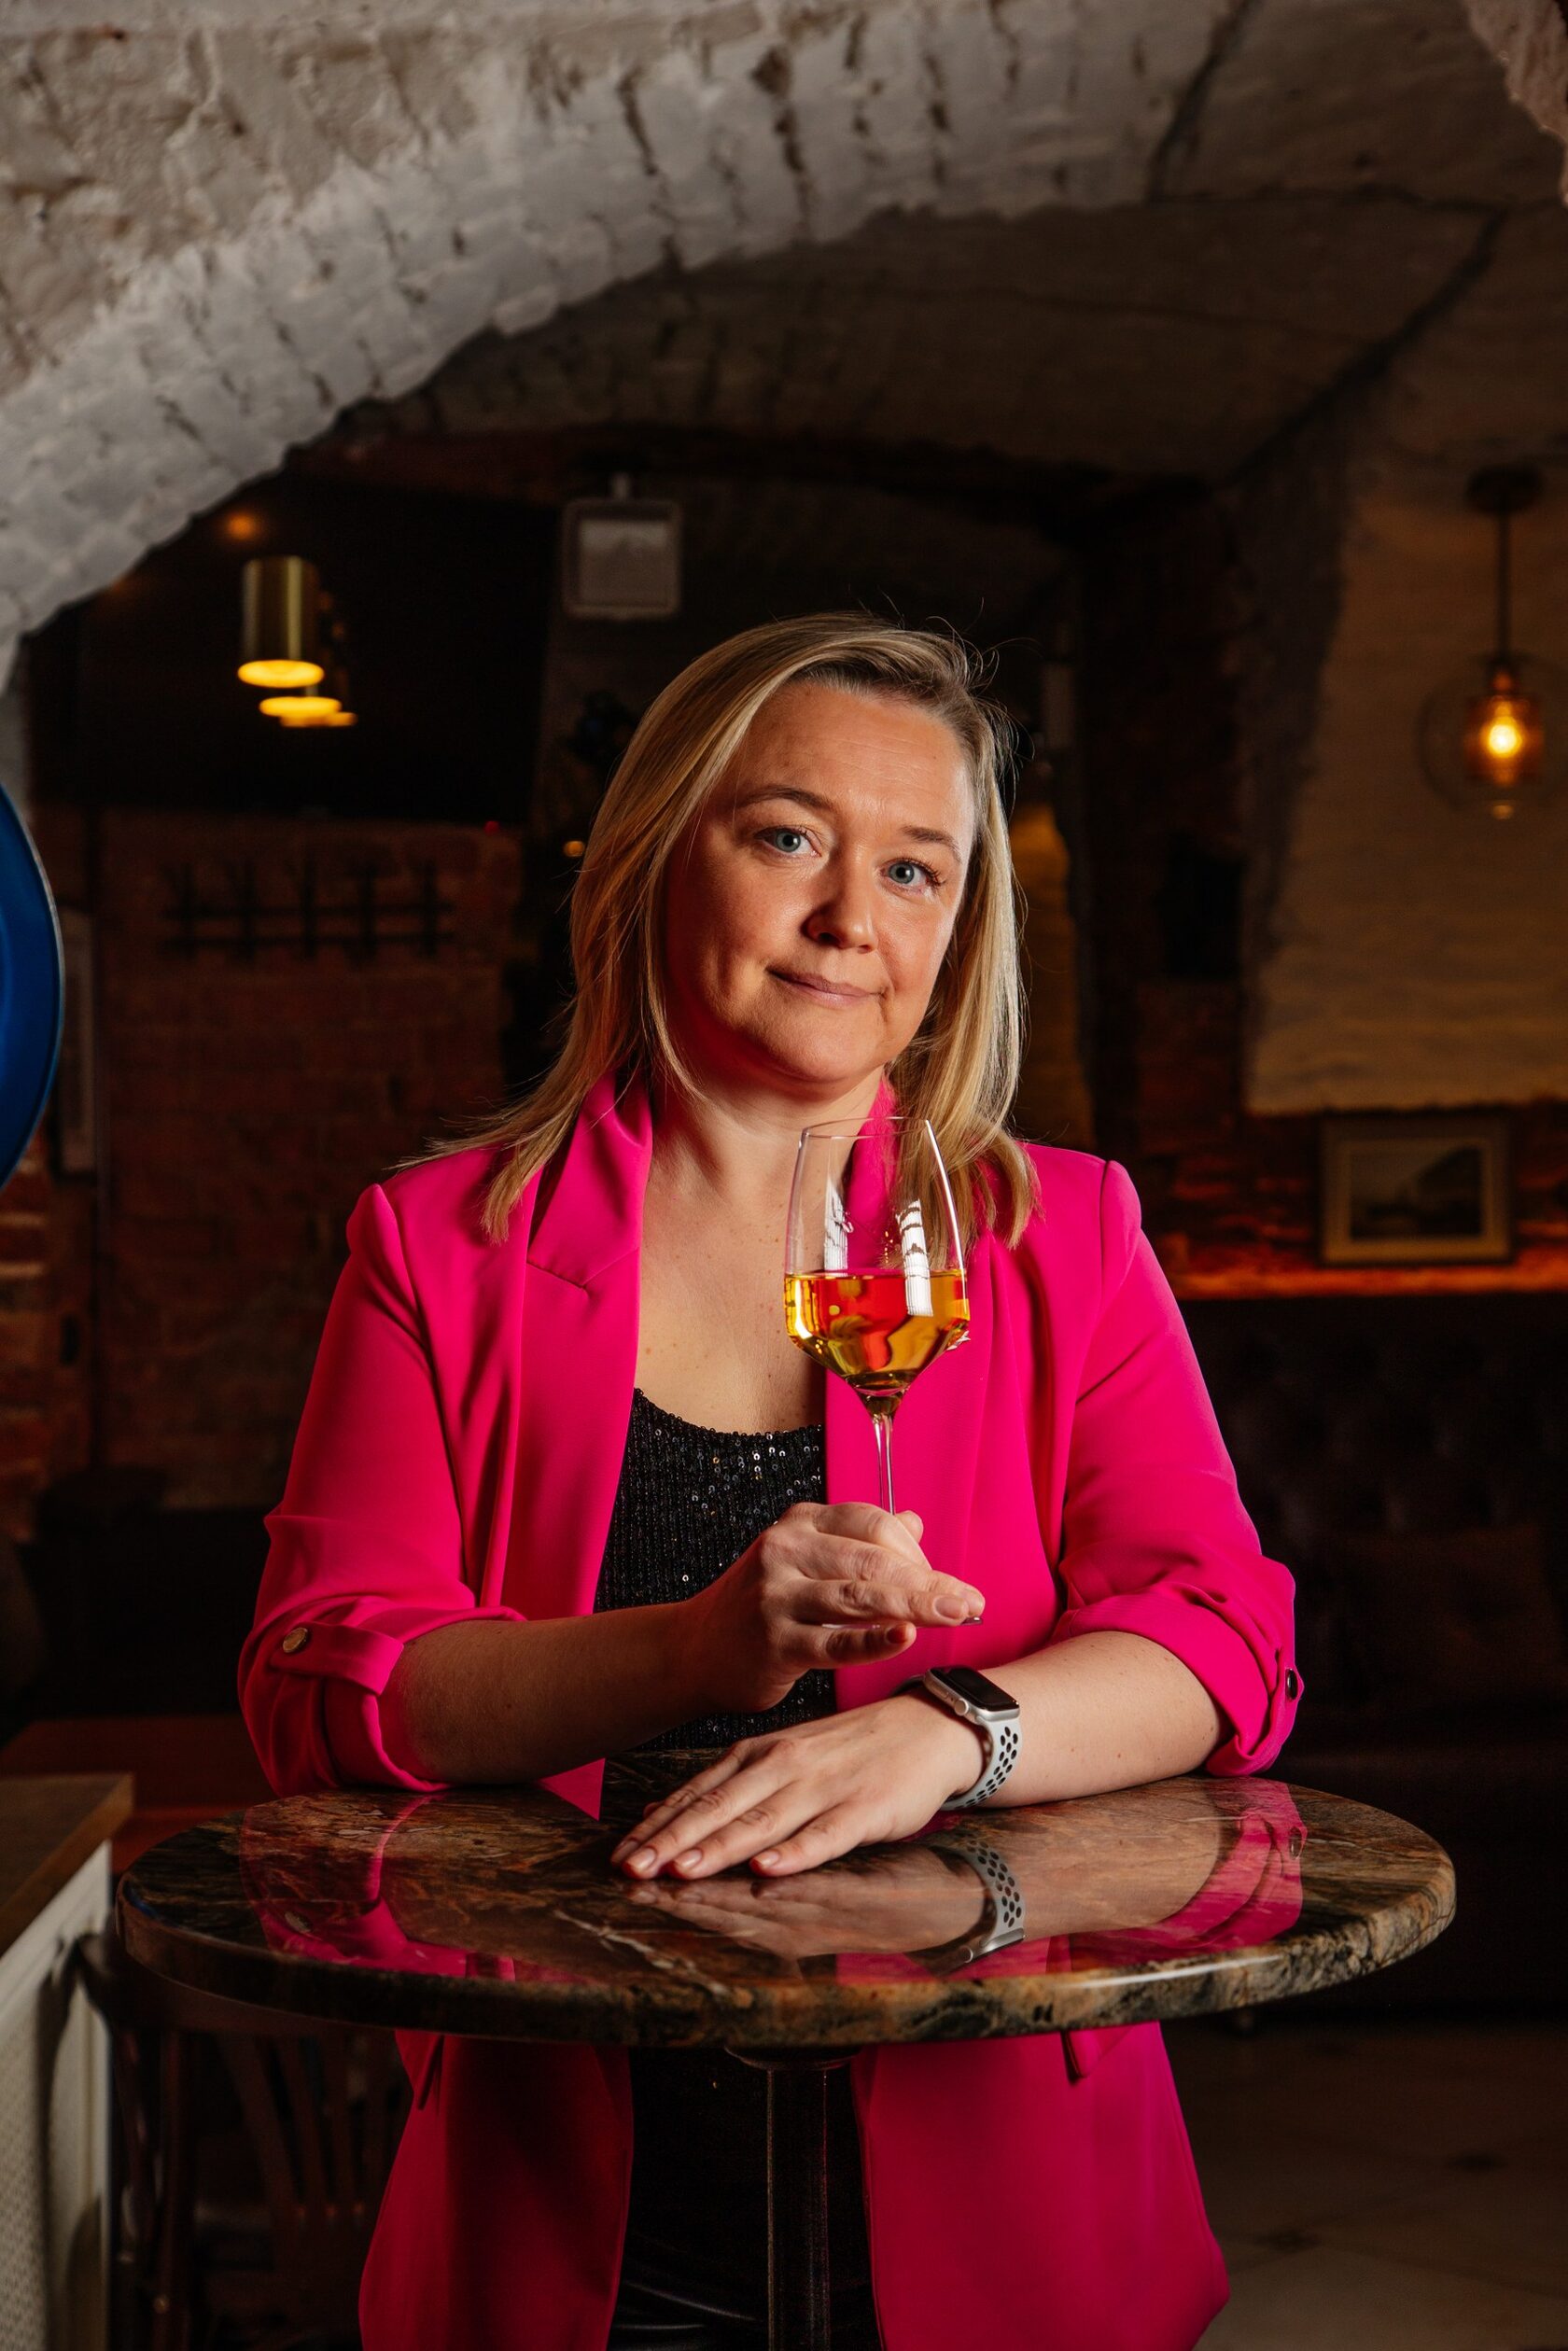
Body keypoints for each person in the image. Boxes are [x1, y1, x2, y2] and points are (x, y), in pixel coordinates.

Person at [240, 613, 1302, 2351]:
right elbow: (325, 1681)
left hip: (1002, 2181)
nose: (851, 920)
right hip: (572, 2194)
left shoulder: (1064, 1235)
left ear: (960, 928)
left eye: (915, 869)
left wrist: (953, 1732)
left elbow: (1222, 1636)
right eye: (790, 836)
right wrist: (691, 1650)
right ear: (661, 854)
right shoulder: (440, 1250)